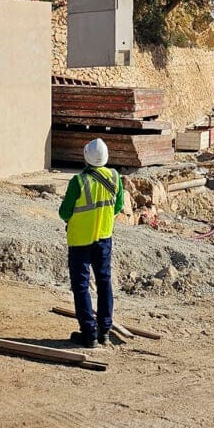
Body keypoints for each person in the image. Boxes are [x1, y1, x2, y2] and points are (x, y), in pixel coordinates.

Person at [58, 138, 125, 348]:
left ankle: (88, 334)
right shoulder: (115, 177)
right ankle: (104, 331)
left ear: (85, 156)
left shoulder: (78, 182)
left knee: (81, 286)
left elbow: (64, 212)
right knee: (104, 283)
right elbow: (118, 206)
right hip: (104, 238)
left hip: (80, 241)